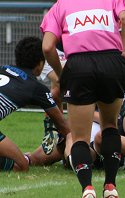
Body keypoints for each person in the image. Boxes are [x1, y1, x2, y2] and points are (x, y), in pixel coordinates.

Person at [40, 1, 125, 197]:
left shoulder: (59, 6)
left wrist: (62, 74)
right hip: (112, 63)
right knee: (110, 126)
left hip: (79, 65)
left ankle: (87, 189)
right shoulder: (112, 0)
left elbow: (48, 47)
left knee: (80, 137)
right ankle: (110, 186)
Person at [27, 111, 125, 177]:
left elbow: (116, 123)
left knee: (102, 136)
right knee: (40, 156)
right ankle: (74, 158)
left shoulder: (102, 106)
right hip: (88, 149)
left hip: (104, 145)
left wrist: (84, 114)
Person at [0, 36, 70, 172]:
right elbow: (63, 126)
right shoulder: (36, 88)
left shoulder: (2, 69)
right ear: (40, 64)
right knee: (21, 165)